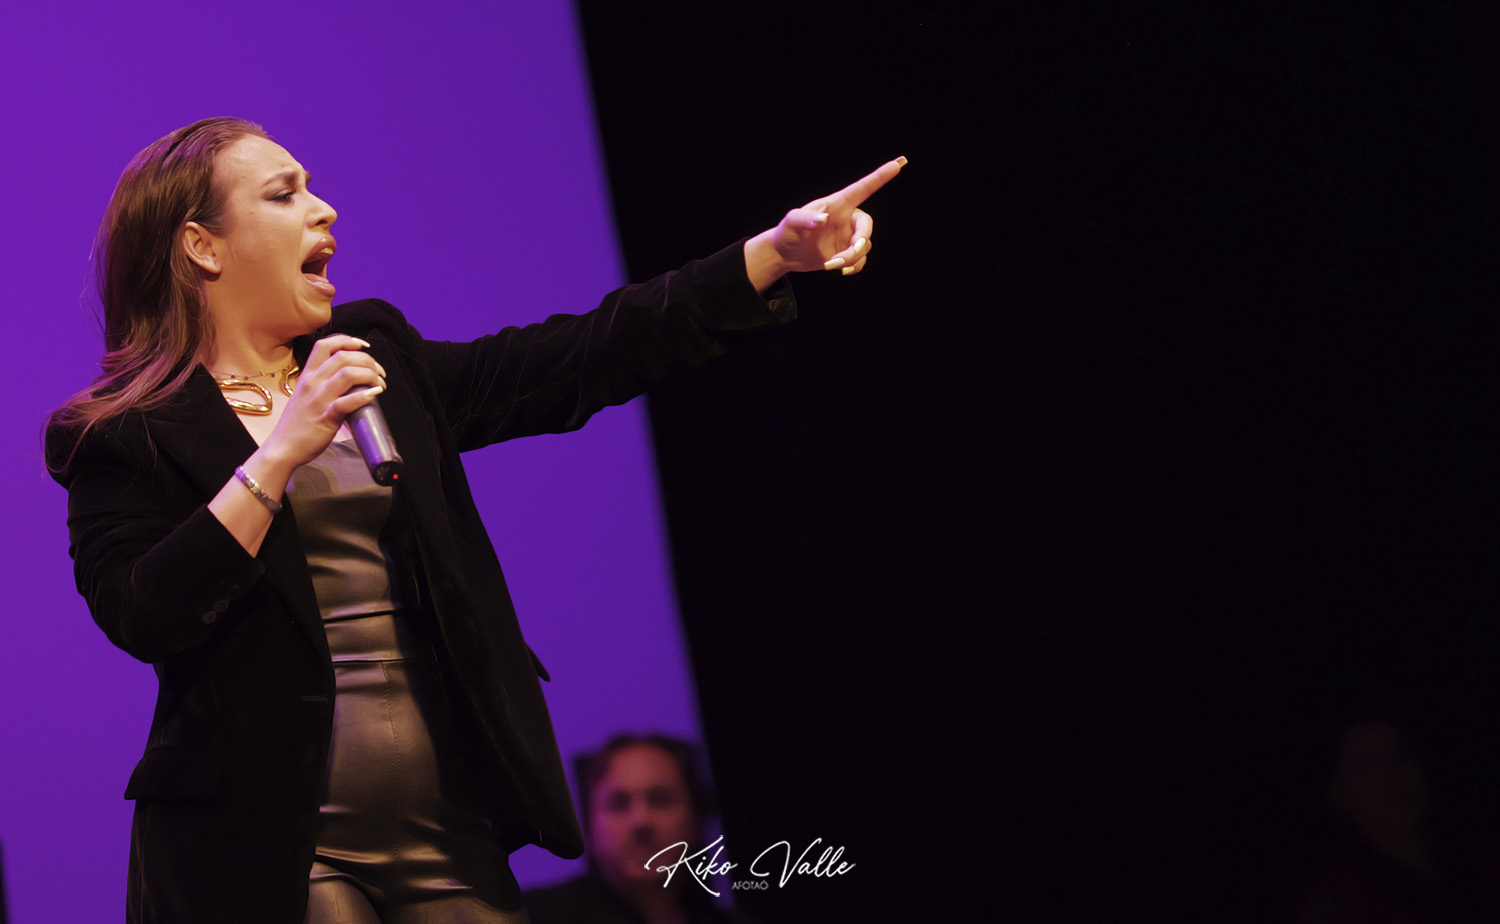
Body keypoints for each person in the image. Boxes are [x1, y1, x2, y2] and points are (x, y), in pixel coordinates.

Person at [44, 116, 903, 924]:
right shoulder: (122, 433)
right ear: (202, 246)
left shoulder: (373, 358)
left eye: (312, 187)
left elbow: (579, 356)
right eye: (284, 193)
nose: (323, 206)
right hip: (273, 843)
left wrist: (770, 257)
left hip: (446, 821)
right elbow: (142, 611)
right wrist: (275, 457)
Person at [525, 735, 759, 924]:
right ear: (589, 825)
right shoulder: (530, 917)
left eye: (661, 800)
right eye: (619, 803)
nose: (640, 821)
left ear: (697, 820)